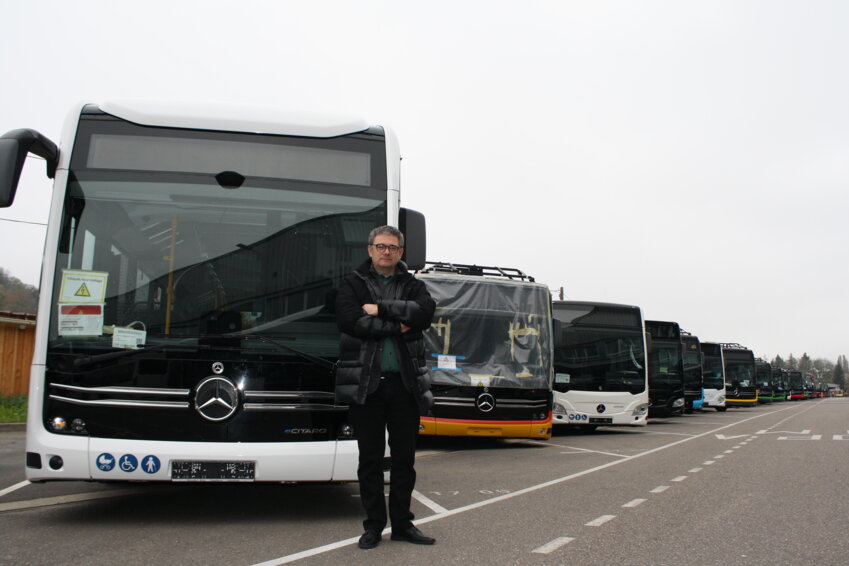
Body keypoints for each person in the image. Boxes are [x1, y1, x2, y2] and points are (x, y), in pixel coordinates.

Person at [335, 225, 436, 549]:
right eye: (381, 246)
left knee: (405, 460)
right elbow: (351, 322)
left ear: (401, 252)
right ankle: (374, 526)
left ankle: (404, 525)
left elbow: (425, 313)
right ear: (370, 250)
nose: (387, 252)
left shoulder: (413, 284)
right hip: (367, 386)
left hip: (405, 386)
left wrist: (380, 309)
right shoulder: (353, 284)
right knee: (370, 461)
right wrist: (400, 324)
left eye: (393, 247)